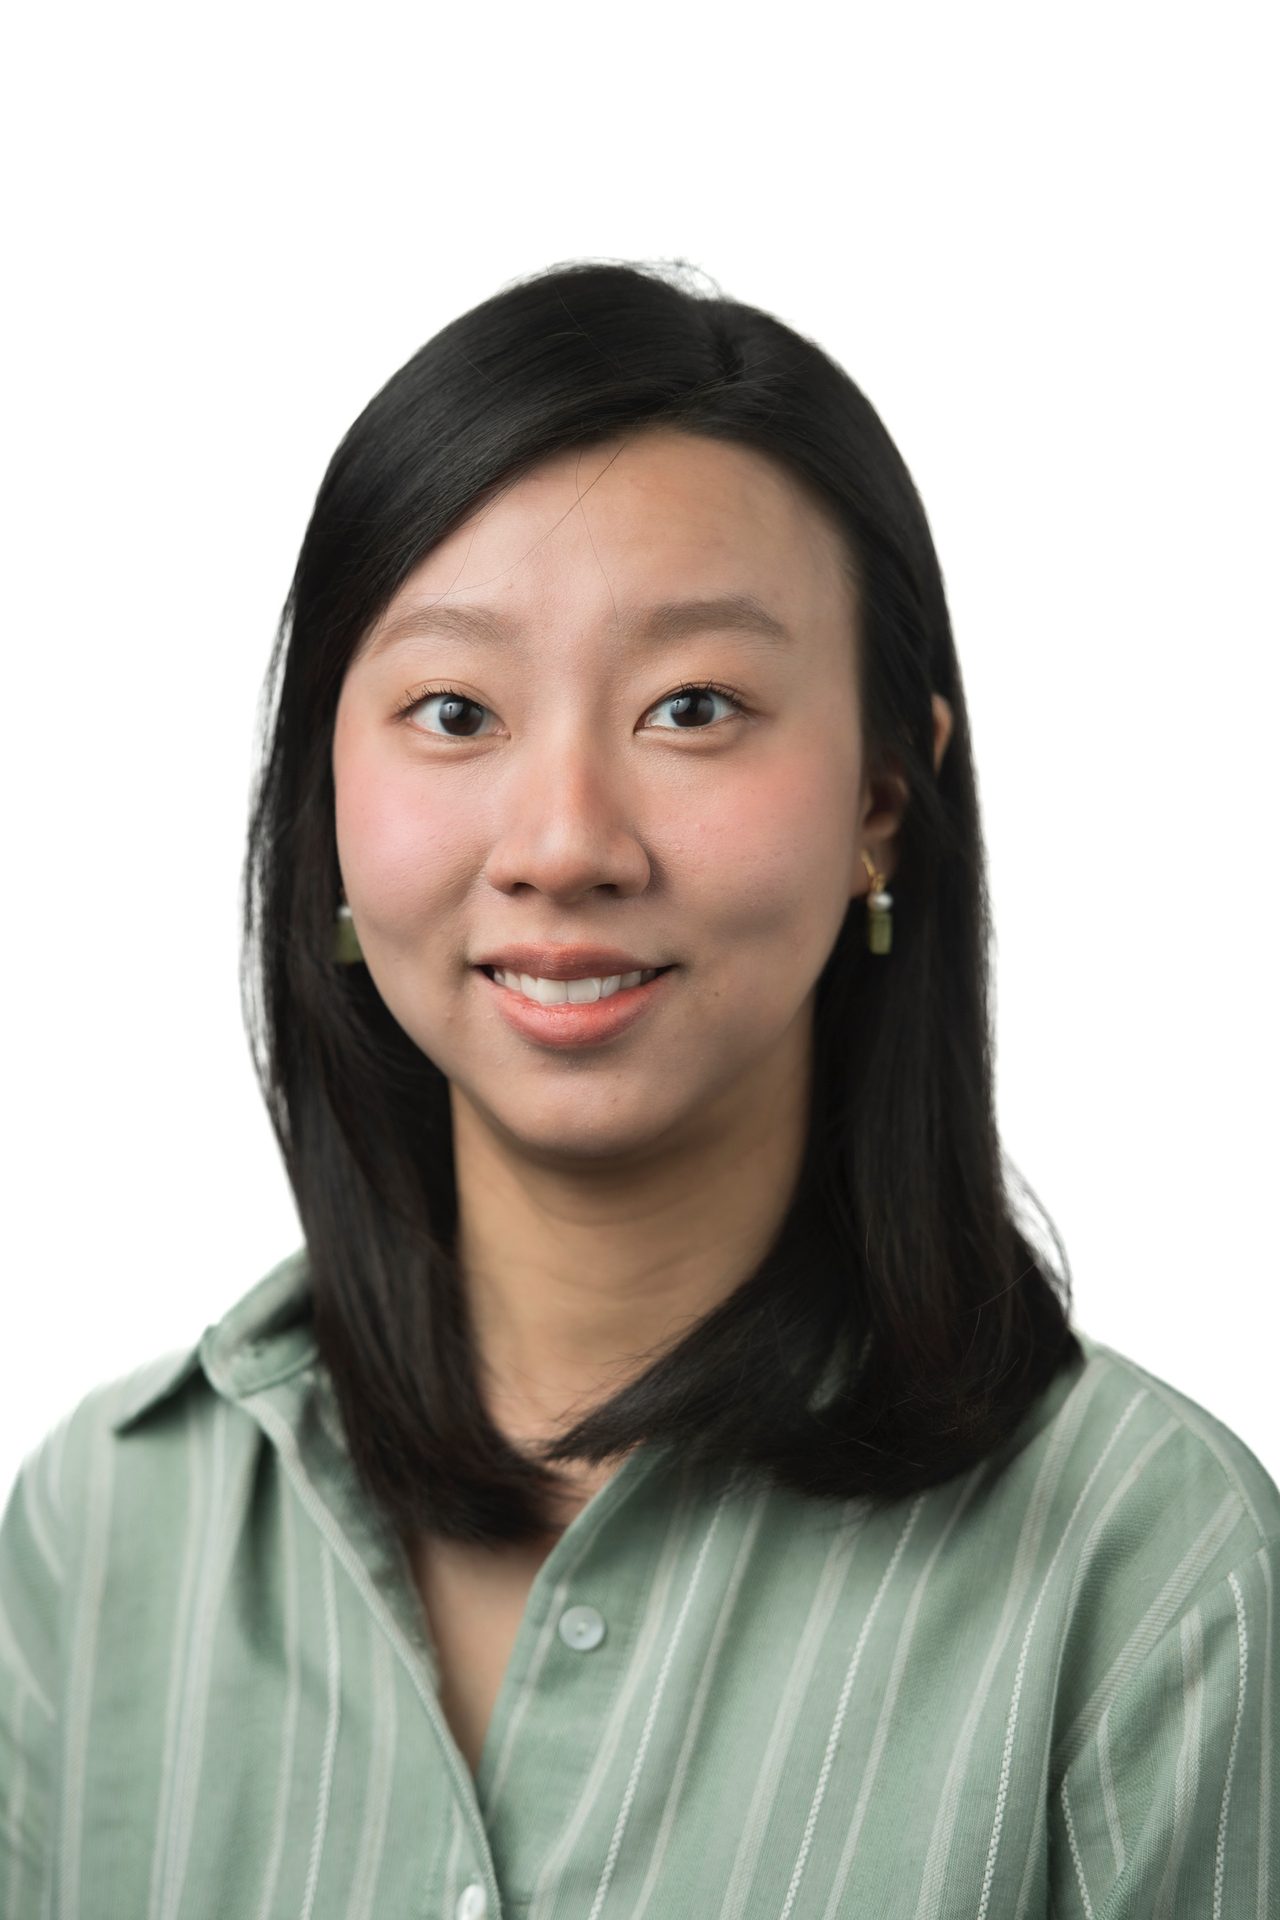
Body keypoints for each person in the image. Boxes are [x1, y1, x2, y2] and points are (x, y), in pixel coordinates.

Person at [2, 259, 1276, 1920]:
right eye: (454, 711)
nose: (563, 845)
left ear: (885, 800)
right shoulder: (100, 1539)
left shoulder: (1155, 1585)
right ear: (326, 800)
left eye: (696, 707)